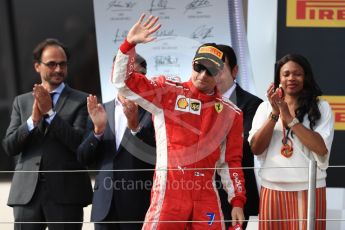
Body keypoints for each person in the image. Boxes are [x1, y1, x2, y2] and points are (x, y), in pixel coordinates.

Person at [112, 14, 246, 230]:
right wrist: (129, 45)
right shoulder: (169, 91)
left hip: (206, 195)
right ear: (191, 64)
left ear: (220, 73)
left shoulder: (231, 113)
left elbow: (231, 162)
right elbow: (123, 82)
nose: (202, 75)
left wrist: (237, 201)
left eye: (210, 70)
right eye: (198, 67)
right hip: (169, 193)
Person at [2, 38, 93, 230]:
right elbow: (10, 146)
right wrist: (32, 121)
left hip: (66, 194)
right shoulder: (22, 102)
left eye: (62, 64)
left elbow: (79, 143)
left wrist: (50, 114)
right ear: (37, 66)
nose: (58, 69)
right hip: (27, 195)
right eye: (52, 64)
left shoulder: (82, 100)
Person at [248, 54, 334, 230]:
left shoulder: (321, 107)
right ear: (279, 79)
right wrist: (274, 113)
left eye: (297, 74)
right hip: (271, 189)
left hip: (309, 190)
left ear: (306, 77)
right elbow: (256, 148)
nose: (291, 78)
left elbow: (320, 148)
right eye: (286, 74)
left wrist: (288, 117)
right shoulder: (264, 108)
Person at [77, 54, 156, 230]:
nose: (132, 80)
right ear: (114, 76)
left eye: (138, 75)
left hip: (139, 208)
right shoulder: (100, 110)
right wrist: (98, 131)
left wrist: (136, 128)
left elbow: (159, 156)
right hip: (105, 207)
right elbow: (83, 158)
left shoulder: (154, 112)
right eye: (126, 74)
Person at [216, 44, 262, 229]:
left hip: (238, 195)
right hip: (199, 191)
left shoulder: (253, 104)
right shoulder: (195, 104)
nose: (211, 74)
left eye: (219, 68)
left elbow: (243, 144)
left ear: (234, 71)